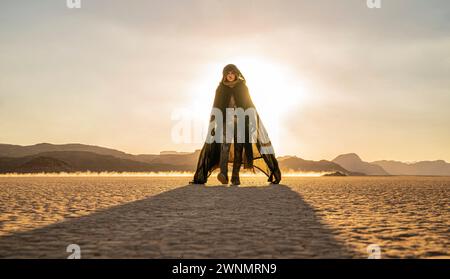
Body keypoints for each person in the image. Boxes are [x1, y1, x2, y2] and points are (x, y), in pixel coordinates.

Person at [190, 64, 281, 185]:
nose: (230, 75)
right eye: (227, 73)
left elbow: (249, 104)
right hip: (225, 120)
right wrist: (213, 122)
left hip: (241, 120)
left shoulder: (243, 88)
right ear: (224, 75)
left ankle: (235, 177)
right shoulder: (220, 89)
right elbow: (215, 106)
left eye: (232, 73)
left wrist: (253, 120)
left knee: (239, 149)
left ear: (236, 74)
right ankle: (223, 174)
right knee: (224, 147)